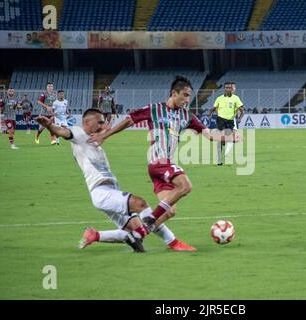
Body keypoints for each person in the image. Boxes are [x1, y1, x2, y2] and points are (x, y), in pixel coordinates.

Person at [88, 76, 242, 251]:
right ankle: (150, 220)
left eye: (189, 96)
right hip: (159, 162)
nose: (186, 100)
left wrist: (229, 137)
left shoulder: (187, 116)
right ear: (173, 93)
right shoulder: (154, 109)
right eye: (184, 95)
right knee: (185, 186)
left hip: (162, 168)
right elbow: (129, 120)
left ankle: (134, 234)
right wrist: (104, 135)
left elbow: (209, 135)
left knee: (169, 211)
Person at [36, 109, 148, 252]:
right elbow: (63, 132)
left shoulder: (94, 142)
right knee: (140, 205)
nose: (102, 125)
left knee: (137, 232)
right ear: (87, 122)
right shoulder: (77, 133)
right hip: (101, 191)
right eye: (99, 122)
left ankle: (95, 235)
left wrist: (104, 133)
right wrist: (50, 126)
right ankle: (171, 239)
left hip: (110, 192)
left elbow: (98, 136)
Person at [208, 82, 244, 165]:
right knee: (220, 139)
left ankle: (226, 153)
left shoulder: (236, 98)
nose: (228, 89)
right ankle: (219, 159)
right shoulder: (219, 98)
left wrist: (239, 118)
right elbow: (213, 108)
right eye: (226, 88)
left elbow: (242, 110)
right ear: (224, 89)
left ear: (232, 89)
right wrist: (209, 114)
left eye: (229, 88)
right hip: (220, 120)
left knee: (228, 139)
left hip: (230, 121)